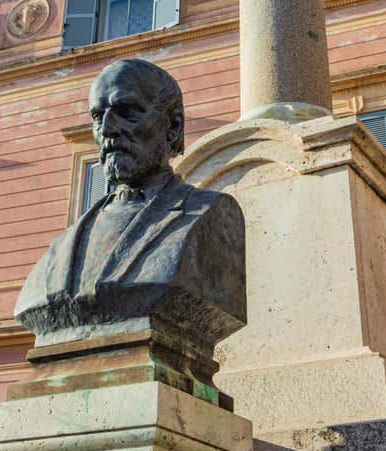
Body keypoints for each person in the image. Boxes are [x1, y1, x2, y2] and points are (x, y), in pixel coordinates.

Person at [14, 59, 246, 353]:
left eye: (128, 112)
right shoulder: (62, 246)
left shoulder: (210, 216)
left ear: (172, 126)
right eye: (98, 116)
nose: (108, 129)